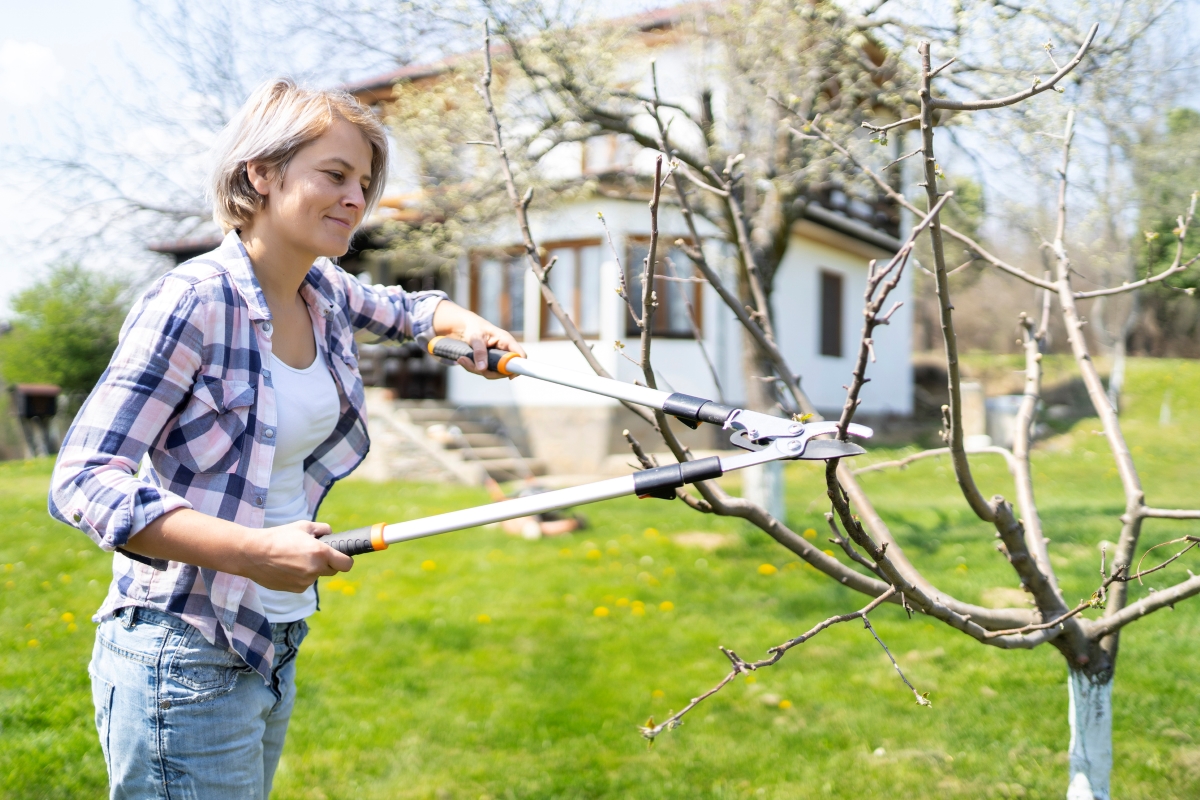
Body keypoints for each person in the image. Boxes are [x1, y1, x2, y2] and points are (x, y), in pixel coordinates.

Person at [48, 78, 523, 800]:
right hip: (186, 647)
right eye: (334, 175)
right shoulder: (193, 301)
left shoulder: (322, 290)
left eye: (364, 182)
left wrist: (465, 328)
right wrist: (257, 552)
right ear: (259, 174)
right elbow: (83, 478)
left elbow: (408, 309)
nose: (356, 199)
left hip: (271, 639)